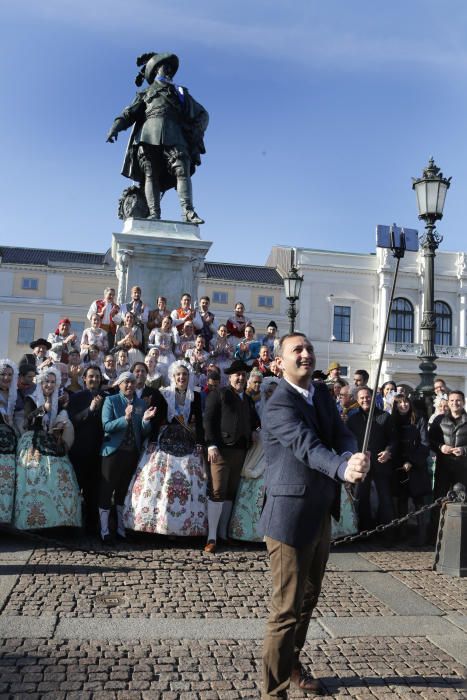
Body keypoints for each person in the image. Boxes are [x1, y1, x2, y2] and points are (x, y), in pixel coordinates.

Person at [258, 333, 369, 698]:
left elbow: (341, 434)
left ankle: (291, 663)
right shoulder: (277, 404)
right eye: (297, 350)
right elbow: (308, 447)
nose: (306, 354)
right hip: (288, 517)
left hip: (321, 512)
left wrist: (353, 455)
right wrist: (341, 469)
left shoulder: (321, 393)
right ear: (280, 362)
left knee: (308, 600)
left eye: (308, 349)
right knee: (285, 610)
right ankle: (273, 693)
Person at [106, 51, 208, 224]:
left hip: (175, 134)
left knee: (182, 169)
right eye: (164, 66)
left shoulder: (181, 94)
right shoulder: (145, 94)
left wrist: (194, 131)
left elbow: (202, 114)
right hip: (148, 135)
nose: (168, 70)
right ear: (155, 71)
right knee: (150, 174)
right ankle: (154, 214)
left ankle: (188, 212)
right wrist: (115, 128)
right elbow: (128, 114)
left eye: (170, 67)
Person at [124, 360, 207, 536]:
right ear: (173, 377)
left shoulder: (196, 396)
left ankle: (187, 526)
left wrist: (200, 442)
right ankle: (157, 523)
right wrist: (153, 440)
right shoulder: (165, 394)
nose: (181, 377)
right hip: (166, 438)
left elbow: (199, 421)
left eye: (184, 374)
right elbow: (157, 418)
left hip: (188, 440)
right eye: (178, 375)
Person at [14, 366, 82, 530]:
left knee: (60, 477)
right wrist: (42, 409)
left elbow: (58, 418)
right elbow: (27, 421)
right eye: (46, 382)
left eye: (53, 382)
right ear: (41, 382)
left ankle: (59, 521)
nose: (49, 385)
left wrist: (61, 415)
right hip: (33, 442)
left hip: (51, 441)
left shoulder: (57, 401)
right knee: (34, 478)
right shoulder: (31, 398)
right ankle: (33, 521)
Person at [203, 359, 260, 553]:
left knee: (230, 493)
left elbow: (254, 422)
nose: (240, 378)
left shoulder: (249, 400)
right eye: (237, 375)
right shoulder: (218, 394)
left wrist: (254, 430)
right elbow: (208, 420)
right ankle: (211, 537)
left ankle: (223, 534)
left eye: (243, 375)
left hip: (241, 451)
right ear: (230, 377)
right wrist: (211, 444)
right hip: (221, 450)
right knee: (217, 491)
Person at [98, 372, 157, 543]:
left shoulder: (140, 403)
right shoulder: (111, 400)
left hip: (131, 453)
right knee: (107, 490)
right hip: (112, 452)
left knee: (123, 492)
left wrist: (146, 421)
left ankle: (121, 529)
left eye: (132, 382)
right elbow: (106, 426)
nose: (129, 385)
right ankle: (104, 530)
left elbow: (143, 431)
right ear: (119, 384)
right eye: (126, 382)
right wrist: (125, 418)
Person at [229, 377, 279, 542]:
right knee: (256, 490)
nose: (272, 394)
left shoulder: (286, 408)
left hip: (279, 452)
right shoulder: (257, 407)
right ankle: (252, 531)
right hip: (260, 451)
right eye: (269, 391)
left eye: (275, 391)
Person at [347, 386, 397, 535]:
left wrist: (388, 452)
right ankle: (364, 532)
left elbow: (394, 439)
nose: (365, 400)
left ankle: (387, 533)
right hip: (362, 464)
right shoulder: (353, 419)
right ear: (357, 400)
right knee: (361, 498)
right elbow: (348, 440)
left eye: (367, 397)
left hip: (381, 463)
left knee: (385, 499)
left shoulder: (385, 417)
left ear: (373, 397)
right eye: (362, 398)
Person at [68, 365, 107, 534]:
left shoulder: (106, 397)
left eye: (97, 377)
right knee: (75, 491)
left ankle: (92, 527)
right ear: (84, 378)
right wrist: (90, 409)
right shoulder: (76, 397)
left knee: (93, 493)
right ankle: (73, 526)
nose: (95, 379)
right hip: (78, 452)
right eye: (91, 376)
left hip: (98, 454)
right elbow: (72, 420)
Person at [391, 394, 431, 545]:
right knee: (401, 501)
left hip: (416, 467)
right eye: (400, 403)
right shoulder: (392, 420)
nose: (403, 405)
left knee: (418, 501)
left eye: (405, 402)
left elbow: (424, 443)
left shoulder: (419, 419)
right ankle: (402, 533)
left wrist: (412, 461)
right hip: (398, 467)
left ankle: (422, 536)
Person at [429, 390, 467, 505]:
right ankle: (435, 523)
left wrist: (463, 450)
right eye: (452, 400)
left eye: (458, 400)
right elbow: (430, 440)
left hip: (463, 468)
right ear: (448, 402)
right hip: (443, 467)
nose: (455, 403)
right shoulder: (439, 420)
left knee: (460, 500)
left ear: (463, 402)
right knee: (439, 500)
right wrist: (441, 447)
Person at [0, 359, 18, 523]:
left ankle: (6, 517)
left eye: (9, 375)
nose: (6, 378)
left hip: (11, 441)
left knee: (9, 480)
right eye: (3, 374)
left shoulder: (15, 395)